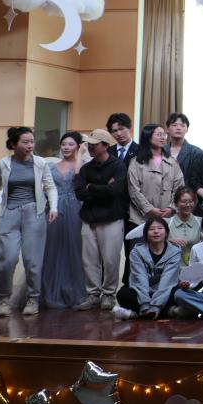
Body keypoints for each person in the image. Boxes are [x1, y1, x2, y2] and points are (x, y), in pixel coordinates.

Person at [0, 126, 58, 317]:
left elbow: (50, 187)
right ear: (14, 144)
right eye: (25, 142)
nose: (30, 145)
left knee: (32, 261)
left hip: (34, 213)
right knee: (7, 259)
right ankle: (4, 300)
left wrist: (53, 207)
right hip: (10, 214)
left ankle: (33, 299)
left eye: (32, 141)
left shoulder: (40, 163)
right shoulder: (3, 164)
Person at [74, 129, 126, 312]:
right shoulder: (85, 168)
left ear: (105, 146)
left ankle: (109, 294)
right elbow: (79, 192)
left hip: (111, 219)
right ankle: (93, 294)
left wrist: (92, 187)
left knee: (111, 260)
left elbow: (116, 190)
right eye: (89, 144)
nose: (90, 148)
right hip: (89, 219)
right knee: (89, 261)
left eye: (94, 145)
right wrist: (103, 187)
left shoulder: (118, 166)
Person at [41, 131, 87, 310]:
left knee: (73, 248)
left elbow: (78, 176)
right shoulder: (51, 166)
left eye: (71, 144)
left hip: (75, 209)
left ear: (78, 146)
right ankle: (49, 291)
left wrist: (80, 154)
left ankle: (73, 290)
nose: (66, 147)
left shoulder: (83, 164)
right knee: (52, 248)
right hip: (54, 209)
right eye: (63, 144)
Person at [114, 216, 181, 320]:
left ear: (166, 232)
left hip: (164, 291)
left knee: (179, 293)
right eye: (151, 229)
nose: (156, 231)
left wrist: (156, 306)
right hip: (142, 291)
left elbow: (167, 281)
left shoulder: (175, 252)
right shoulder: (136, 252)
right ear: (146, 234)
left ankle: (138, 314)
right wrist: (145, 304)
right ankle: (164, 312)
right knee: (123, 294)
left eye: (160, 228)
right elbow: (141, 278)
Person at [127, 123, 184, 237]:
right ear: (148, 137)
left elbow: (179, 188)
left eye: (164, 135)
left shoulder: (172, 162)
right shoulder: (136, 162)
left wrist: (171, 208)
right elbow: (134, 190)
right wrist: (149, 209)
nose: (163, 137)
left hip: (167, 218)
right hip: (141, 219)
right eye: (158, 134)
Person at [163, 113, 203, 183]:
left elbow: (198, 179)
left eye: (182, 125)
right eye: (174, 125)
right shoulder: (160, 150)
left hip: (186, 189)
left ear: (187, 129)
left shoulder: (197, 152)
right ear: (167, 129)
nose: (178, 128)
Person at [167, 186, 202, 265]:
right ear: (176, 204)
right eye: (184, 201)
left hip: (195, 267)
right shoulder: (167, 223)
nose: (188, 204)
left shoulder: (201, 222)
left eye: (191, 201)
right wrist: (169, 241)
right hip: (172, 268)